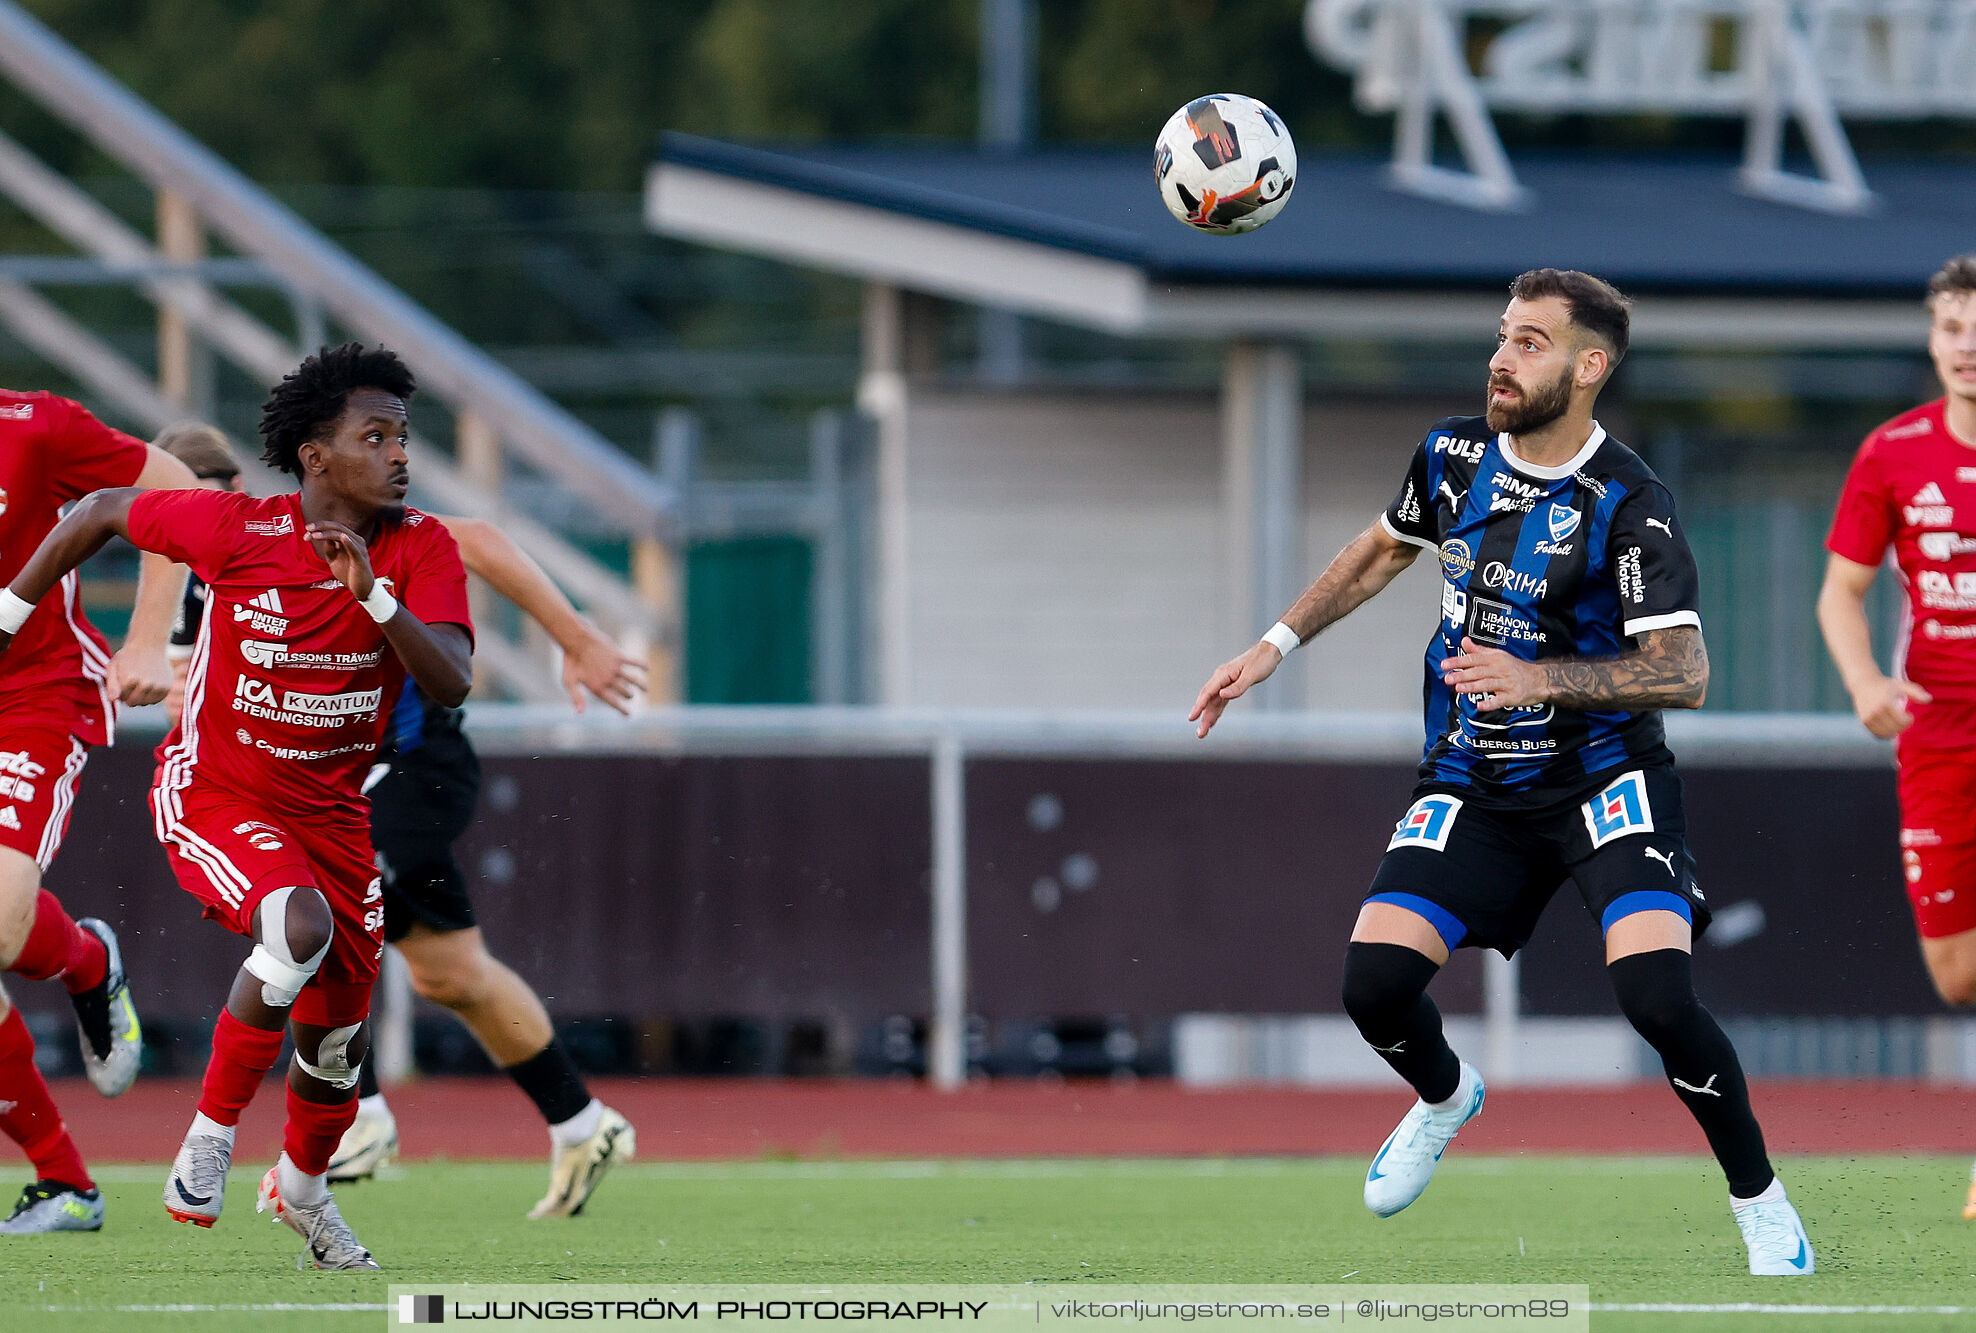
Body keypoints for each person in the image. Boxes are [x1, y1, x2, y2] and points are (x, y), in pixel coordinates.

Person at [1190, 269, 1812, 1277]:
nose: (1499, 357)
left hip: (1603, 779)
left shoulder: (1627, 503)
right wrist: (1271, 645)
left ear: (1588, 365)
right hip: (1471, 781)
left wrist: (1537, 676)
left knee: (1656, 999)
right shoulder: (1451, 455)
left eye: (1528, 341)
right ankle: (1443, 1095)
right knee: (1373, 986)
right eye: (1500, 336)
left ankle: (1759, 1199)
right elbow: (1380, 551)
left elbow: (1681, 672)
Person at [0, 343, 473, 1271]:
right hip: (215, 794)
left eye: (402, 437)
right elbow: (99, 512)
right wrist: (9, 614)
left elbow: (451, 680)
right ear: (315, 455)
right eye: (375, 437)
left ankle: (300, 1191)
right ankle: (206, 1143)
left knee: (334, 1051)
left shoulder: (422, 547)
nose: (399, 454)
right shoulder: (240, 529)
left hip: (333, 817)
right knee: (295, 928)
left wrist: (373, 596)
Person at [152, 424, 643, 1219]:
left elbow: (477, 540)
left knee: (310, 916)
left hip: (407, 766)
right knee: (453, 972)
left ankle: (363, 1119)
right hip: (324, 782)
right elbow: (190, 683)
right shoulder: (195, 569)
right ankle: (582, 1120)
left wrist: (578, 637)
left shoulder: (326, 531)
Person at [0, 390, 195, 1234]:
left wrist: (150, 636)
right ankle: (65, 1184)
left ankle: (83, 960)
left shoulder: (32, 424)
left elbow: (178, 487)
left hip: (29, 698)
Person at [1815, 253, 1976, 1221]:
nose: (1968, 349)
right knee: (1955, 973)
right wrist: (1864, 679)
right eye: (1953, 330)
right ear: (1932, 339)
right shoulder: (1890, 452)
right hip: (1934, 734)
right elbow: (1841, 589)